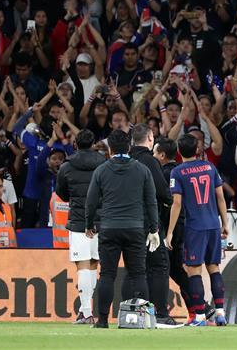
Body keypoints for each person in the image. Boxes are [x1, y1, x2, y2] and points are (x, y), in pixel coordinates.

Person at [85, 129, 160, 329]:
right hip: (135, 228)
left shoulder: (101, 170)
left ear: (110, 148)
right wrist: (154, 229)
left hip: (109, 228)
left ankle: (101, 320)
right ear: (129, 147)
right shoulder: (142, 169)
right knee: (138, 274)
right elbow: (151, 201)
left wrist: (89, 224)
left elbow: (91, 201)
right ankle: (142, 319)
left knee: (107, 275)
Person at [165, 134, 229, 327]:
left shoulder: (177, 172)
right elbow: (220, 197)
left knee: (194, 271)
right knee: (214, 268)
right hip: (213, 224)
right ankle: (220, 313)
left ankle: (200, 316)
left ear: (179, 151)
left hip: (195, 226)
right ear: (197, 150)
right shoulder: (210, 167)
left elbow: (177, 203)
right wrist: (225, 222)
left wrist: (169, 232)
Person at [55, 129, 104, 324]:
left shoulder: (66, 166)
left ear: (75, 144)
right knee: (93, 264)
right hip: (101, 220)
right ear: (93, 144)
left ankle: (85, 312)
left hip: (79, 221)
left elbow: (62, 194)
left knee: (82, 265)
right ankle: (88, 311)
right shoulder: (103, 164)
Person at [129, 124, 175, 326]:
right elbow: (164, 193)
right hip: (149, 224)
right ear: (150, 138)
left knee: (136, 270)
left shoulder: (126, 159)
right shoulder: (149, 160)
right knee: (158, 266)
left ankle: (134, 314)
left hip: (126, 222)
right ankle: (161, 314)